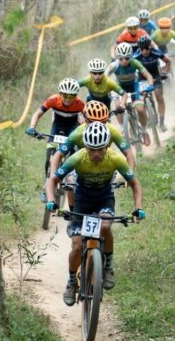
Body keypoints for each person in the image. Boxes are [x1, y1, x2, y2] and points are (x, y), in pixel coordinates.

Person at [45, 122, 145, 303]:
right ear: (85, 146)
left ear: (107, 146)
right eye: (91, 149)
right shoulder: (77, 158)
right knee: (76, 246)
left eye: (100, 149)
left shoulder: (116, 159)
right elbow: (52, 180)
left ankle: (108, 266)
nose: (96, 154)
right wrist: (51, 201)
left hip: (104, 200)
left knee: (105, 226)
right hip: (82, 202)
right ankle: (71, 282)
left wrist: (138, 207)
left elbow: (135, 184)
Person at [26, 78, 85, 201]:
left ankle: (71, 176)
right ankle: (46, 186)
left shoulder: (80, 103)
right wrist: (32, 127)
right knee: (49, 159)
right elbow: (37, 113)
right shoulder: (53, 100)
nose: (68, 99)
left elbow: (88, 119)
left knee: (73, 157)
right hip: (57, 128)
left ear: (76, 95)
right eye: (65, 95)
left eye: (71, 96)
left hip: (72, 128)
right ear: (60, 94)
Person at [49, 100, 137, 176]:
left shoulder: (112, 130)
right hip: (82, 164)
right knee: (71, 183)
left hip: (104, 164)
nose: (97, 125)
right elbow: (58, 154)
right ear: (85, 121)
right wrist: (53, 175)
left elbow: (129, 154)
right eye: (92, 122)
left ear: (107, 120)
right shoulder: (78, 132)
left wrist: (130, 174)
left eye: (103, 122)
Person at [106, 42, 155, 145]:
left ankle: (144, 131)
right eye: (121, 58)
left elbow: (148, 75)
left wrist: (150, 85)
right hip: (120, 88)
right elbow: (104, 79)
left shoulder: (135, 63)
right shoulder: (113, 65)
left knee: (140, 109)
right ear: (117, 58)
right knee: (118, 106)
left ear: (131, 57)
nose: (124, 61)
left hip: (134, 85)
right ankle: (123, 129)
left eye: (127, 58)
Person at [132, 36, 171, 132]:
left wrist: (164, 73)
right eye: (141, 49)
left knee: (159, 96)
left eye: (146, 48)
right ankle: (147, 117)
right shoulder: (136, 56)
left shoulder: (155, 52)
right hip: (142, 77)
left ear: (150, 46)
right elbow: (131, 70)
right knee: (143, 98)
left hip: (155, 75)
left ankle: (161, 122)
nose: (144, 51)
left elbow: (168, 61)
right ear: (139, 49)